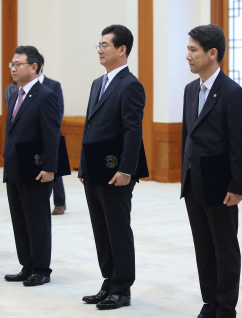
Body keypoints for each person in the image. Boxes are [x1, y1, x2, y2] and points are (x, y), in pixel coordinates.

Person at [181, 24, 242, 318]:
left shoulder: (232, 92)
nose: (188, 56)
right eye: (188, 49)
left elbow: (239, 144)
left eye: (193, 50)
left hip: (221, 183)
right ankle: (210, 301)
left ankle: (225, 306)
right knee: (203, 246)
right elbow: (188, 135)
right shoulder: (190, 89)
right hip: (194, 181)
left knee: (224, 247)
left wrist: (237, 186)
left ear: (212, 53)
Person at [79, 24, 146, 310]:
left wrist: (126, 170)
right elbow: (90, 127)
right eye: (99, 44)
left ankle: (122, 287)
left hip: (116, 170)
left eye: (105, 44)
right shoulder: (98, 82)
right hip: (94, 167)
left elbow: (133, 131)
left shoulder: (131, 85)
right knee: (100, 227)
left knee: (117, 227)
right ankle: (109, 279)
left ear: (122, 49)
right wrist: (83, 167)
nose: (100, 49)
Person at [3, 46, 61, 287]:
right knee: (19, 218)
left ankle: (41, 269)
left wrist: (49, 168)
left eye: (19, 64)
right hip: (15, 166)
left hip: (36, 169)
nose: (13, 68)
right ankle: (26, 265)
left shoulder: (45, 94)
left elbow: (52, 134)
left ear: (34, 67)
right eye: (12, 64)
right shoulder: (14, 93)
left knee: (37, 219)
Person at [37, 54, 67, 215]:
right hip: (33, 137)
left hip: (52, 132)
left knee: (56, 169)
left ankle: (60, 202)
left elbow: (59, 109)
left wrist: (50, 129)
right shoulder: (23, 86)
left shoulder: (53, 85)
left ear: (39, 66)